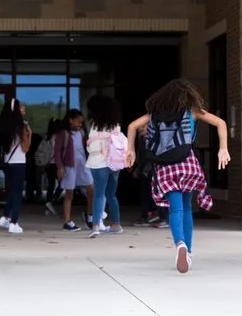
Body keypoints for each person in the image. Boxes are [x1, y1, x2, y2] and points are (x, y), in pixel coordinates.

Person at [126, 78, 230, 273]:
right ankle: (188, 252)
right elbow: (220, 123)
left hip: (165, 166)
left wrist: (130, 150)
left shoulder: (155, 114)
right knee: (187, 209)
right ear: (188, 95)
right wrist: (223, 148)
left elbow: (132, 126)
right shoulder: (192, 111)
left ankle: (179, 244)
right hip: (187, 162)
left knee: (175, 209)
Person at [86, 95, 124, 238]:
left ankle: (95, 225)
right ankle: (116, 224)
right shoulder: (116, 126)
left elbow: (92, 147)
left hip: (98, 163)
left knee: (99, 194)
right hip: (114, 163)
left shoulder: (95, 126)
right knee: (111, 195)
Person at [55, 109, 96, 232]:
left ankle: (89, 214)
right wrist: (60, 166)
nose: (80, 125)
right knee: (69, 193)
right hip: (69, 166)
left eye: (81, 122)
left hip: (83, 164)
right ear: (70, 120)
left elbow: (87, 146)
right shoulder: (63, 134)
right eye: (78, 122)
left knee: (91, 188)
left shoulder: (82, 133)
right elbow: (57, 151)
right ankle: (67, 222)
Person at [0, 98, 32, 234]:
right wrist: (30, 134)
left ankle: (5, 217)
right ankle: (14, 222)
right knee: (17, 193)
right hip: (18, 163)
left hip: (7, 163)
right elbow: (25, 148)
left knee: (12, 191)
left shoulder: (4, 126)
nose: (24, 109)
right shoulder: (21, 126)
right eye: (21, 107)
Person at [132, 124, 168, 228]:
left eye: (143, 127)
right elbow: (140, 155)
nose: (141, 129)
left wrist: (150, 167)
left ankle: (164, 218)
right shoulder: (140, 139)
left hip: (155, 169)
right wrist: (138, 168)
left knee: (158, 194)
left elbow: (157, 154)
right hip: (144, 170)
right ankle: (144, 217)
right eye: (140, 128)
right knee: (145, 194)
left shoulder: (156, 138)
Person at [43, 119, 62, 216]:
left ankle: (48, 203)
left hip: (49, 163)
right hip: (56, 163)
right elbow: (57, 151)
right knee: (62, 183)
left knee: (51, 185)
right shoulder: (58, 137)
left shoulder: (48, 137)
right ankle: (53, 200)